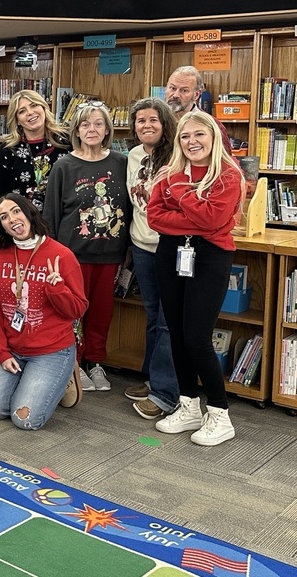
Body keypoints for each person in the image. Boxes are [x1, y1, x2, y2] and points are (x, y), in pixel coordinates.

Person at [147, 111, 245, 446]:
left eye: (199, 134)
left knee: (197, 338)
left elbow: (213, 219)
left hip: (210, 257)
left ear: (213, 137)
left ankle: (220, 413)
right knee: (175, 333)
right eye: (185, 136)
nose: (192, 142)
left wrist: (178, 190)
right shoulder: (169, 171)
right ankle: (188, 405)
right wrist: (194, 213)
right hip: (171, 253)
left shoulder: (229, 175)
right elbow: (155, 217)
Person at [43, 101, 129, 394]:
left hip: (110, 253)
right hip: (72, 255)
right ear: (76, 130)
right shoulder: (64, 166)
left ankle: (95, 361)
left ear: (107, 129)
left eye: (97, 124)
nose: (91, 130)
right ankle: (75, 362)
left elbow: (128, 210)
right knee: (73, 312)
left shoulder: (121, 162)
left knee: (102, 312)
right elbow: (51, 215)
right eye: (85, 125)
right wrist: (52, 254)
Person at [0, 193, 89, 429]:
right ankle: (20, 381)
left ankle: (64, 376)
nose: (12, 219)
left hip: (51, 351)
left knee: (25, 420)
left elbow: (78, 309)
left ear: (29, 212)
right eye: (4, 216)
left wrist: (56, 289)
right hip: (14, 348)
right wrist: (1, 352)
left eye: (16, 211)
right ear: (1, 226)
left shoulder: (62, 255)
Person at [124, 97, 180, 420]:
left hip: (169, 246)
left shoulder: (176, 156)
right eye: (141, 121)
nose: (146, 126)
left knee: (167, 319)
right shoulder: (131, 156)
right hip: (141, 245)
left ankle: (165, 392)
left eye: (153, 121)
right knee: (151, 314)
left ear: (165, 124)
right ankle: (152, 378)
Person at [0, 89, 69, 211]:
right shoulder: (8, 150)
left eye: (34, 105)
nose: (30, 112)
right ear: (17, 120)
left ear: (44, 108)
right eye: (22, 111)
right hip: (23, 222)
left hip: (63, 217)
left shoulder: (67, 141)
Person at [165, 65, 231, 152]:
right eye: (173, 88)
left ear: (196, 95)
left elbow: (225, 162)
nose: (175, 95)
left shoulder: (212, 125)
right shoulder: (156, 121)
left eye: (184, 90)